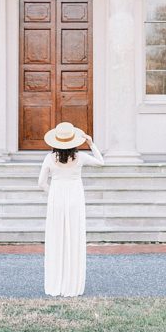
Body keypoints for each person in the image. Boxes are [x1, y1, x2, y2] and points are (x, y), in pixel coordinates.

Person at [37, 121, 104, 297]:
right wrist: (90, 143)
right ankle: (72, 283)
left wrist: (53, 192)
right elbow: (101, 162)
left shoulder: (49, 159)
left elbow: (41, 183)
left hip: (56, 199)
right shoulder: (80, 157)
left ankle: (56, 281)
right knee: (74, 237)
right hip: (75, 198)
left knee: (56, 236)